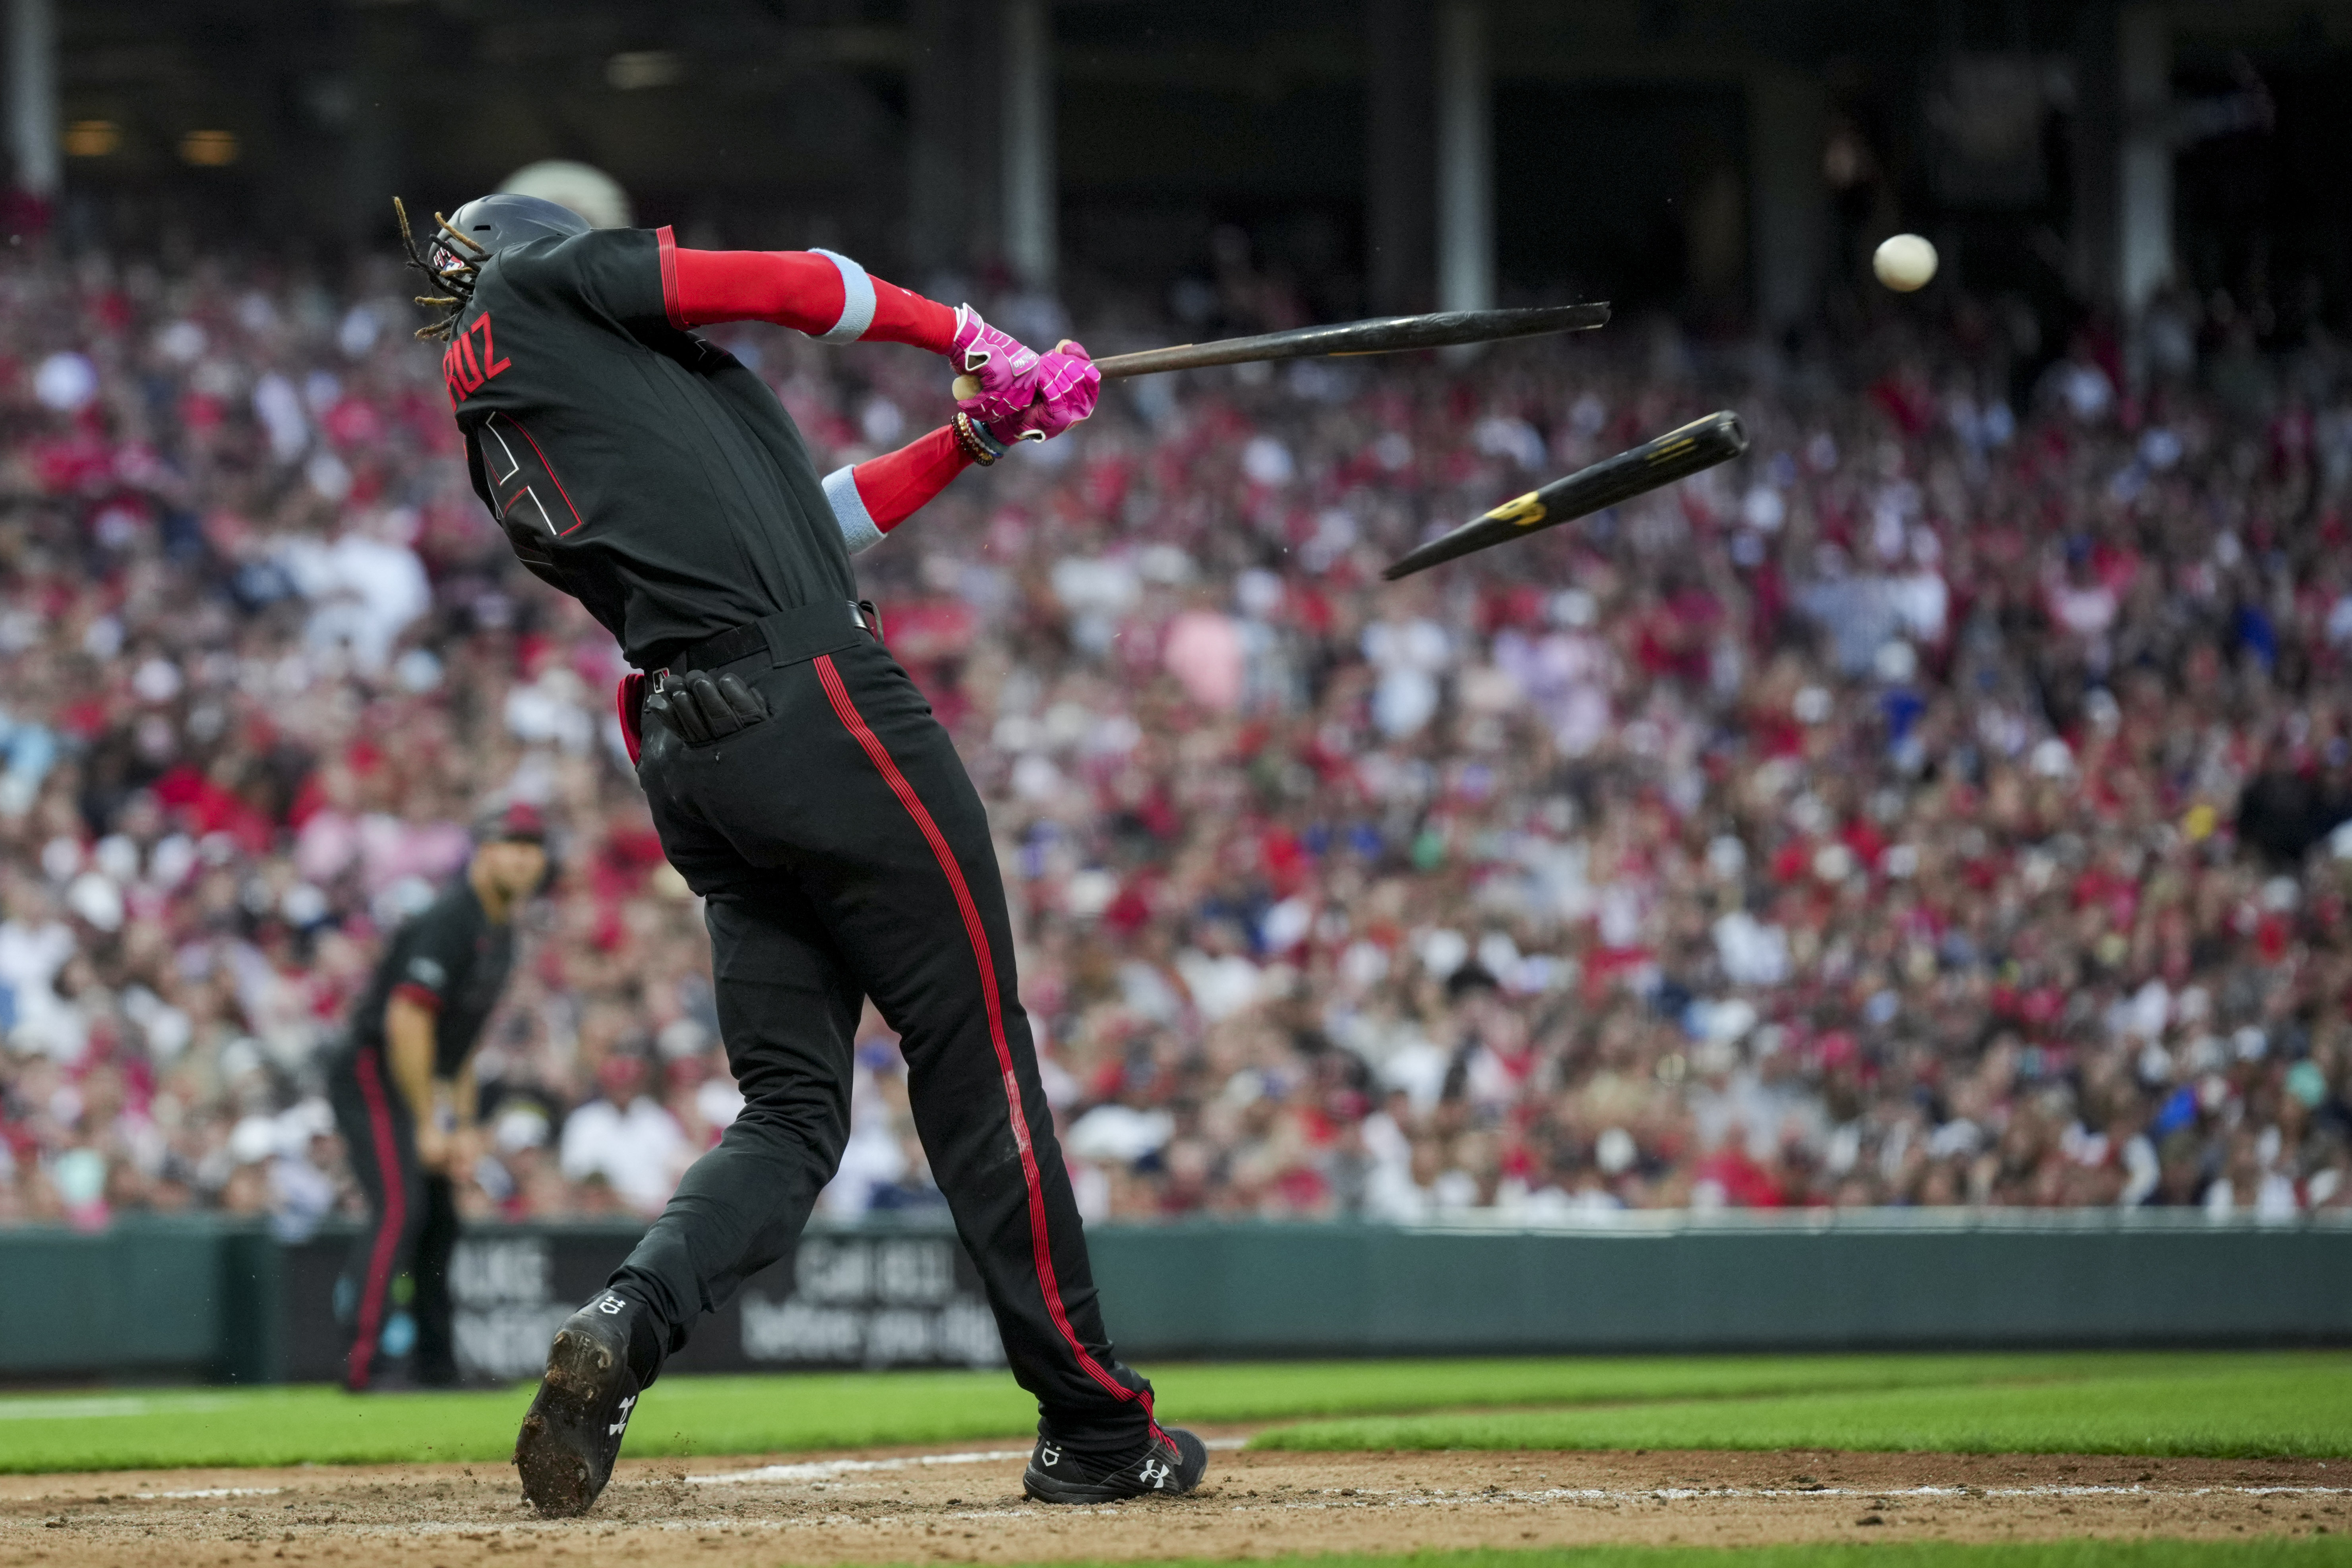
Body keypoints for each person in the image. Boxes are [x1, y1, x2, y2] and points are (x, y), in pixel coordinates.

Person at [397, 194, 1205, 1515]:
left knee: (791, 1111)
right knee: (974, 1046)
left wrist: (966, 437)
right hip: (816, 710)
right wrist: (966, 331)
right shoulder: (548, 282)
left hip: (697, 751)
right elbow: (789, 279)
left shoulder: (533, 426)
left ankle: (627, 1319)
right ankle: (1098, 1427)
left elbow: (804, 530)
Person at [325, 801, 550, 1390]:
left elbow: (464, 1041)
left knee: (441, 1223)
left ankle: (436, 1364)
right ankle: (362, 1363)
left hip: (421, 1079)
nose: (526, 859)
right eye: (513, 844)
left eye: (534, 847)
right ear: (482, 850)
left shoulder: (500, 932)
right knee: (401, 1208)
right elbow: (407, 1018)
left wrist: (465, 1126)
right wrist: (429, 1121)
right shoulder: (453, 917)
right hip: (373, 1069)